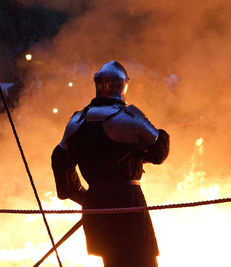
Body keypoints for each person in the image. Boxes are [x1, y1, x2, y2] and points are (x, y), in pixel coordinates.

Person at [51, 60, 170, 266]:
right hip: (128, 203)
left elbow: (59, 160)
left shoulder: (78, 121)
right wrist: (139, 149)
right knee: (142, 261)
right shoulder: (129, 116)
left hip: (96, 205)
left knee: (112, 261)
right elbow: (159, 151)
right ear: (123, 85)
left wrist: (86, 198)